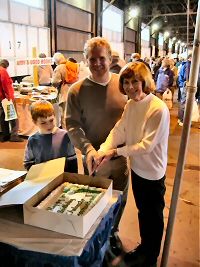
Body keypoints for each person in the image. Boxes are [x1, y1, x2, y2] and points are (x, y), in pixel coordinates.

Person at [94, 62, 170, 267]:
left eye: (135, 81)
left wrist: (115, 152)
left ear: (144, 81)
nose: (130, 87)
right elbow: (121, 129)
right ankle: (145, 248)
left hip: (153, 172)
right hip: (137, 169)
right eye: (126, 82)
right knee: (143, 212)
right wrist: (103, 149)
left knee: (153, 217)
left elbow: (146, 145)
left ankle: (151, 257)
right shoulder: (131, 104)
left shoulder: (158, 109)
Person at [66, 37, 128, 255]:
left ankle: (113, 233)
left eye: (102, 58)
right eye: (92, 59)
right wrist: (88, 150)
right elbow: (72, 125)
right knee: (95, 201)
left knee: (119, 198)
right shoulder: (77, 90)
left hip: (120, 157)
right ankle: (96, 238)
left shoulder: (123, 85)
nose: (98, 63)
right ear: (86, 60)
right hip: (93, 159)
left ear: (110, 58)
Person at [24, 100, 78, 173]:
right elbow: (28, 163)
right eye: (43, 123)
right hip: (43, 178)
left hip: (63, 178)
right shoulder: (33, 140)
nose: (49, 125)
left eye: (51, 120)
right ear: (34, 122)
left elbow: (72, 161)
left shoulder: (65, 136)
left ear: (55, 116)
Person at [0, 59, 23, 142]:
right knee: (13, 116)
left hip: (1, 98)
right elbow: (5, 84)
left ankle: (5, 135)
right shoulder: (3, 71)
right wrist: (10, 97)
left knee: (3, 116)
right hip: (7, 98)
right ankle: (14, 135)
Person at [52, 52, 69, 129]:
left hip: (64, 95)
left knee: (64, 116)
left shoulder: (59, 68)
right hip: (75, 94)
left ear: (56, 61)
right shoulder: (71, 65)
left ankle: (66, 135)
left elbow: (55, 82)